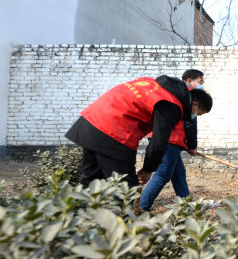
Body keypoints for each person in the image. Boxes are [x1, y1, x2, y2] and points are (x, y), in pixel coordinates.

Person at [65, 75, 212, 189]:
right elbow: (158, 143)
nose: (194, 117)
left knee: (90, 182)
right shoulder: (171, 103)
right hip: (114, 132)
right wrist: (148, 170)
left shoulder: (154, 85)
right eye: (198, 114)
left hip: (90, 122)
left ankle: (76, 222)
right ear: (195, 104)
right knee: (126, 191)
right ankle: (126, 226)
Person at [138, 70, 212, 212]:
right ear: (189, 81)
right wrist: (192, 146)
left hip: (168, 138)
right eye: (200, 82)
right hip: (170, 139)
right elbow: (190, 124)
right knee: (162, 175)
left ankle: (187, 207)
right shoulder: (191, 99)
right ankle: (141, 208)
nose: (202, 85)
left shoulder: (176, 92)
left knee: (178, 175)